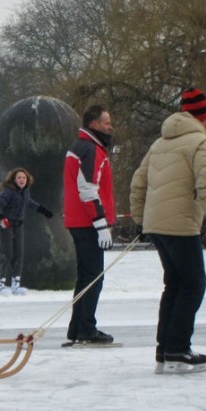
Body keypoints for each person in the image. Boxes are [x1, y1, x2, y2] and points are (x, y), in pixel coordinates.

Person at [130, 88, 206, 374]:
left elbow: (138, 182)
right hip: (181, 224)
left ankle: (164, 348)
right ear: (204, 117)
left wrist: (139, 219)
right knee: (193, 285)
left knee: (174, 285)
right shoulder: (201, 143)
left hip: (157, 224)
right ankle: (178, 348)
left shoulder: (159, 143)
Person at [63, 105, 117, 346]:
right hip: (87, 222)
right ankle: (86, 328)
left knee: (85, 277)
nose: (110, 127)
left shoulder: (80, 147)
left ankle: (77, 328)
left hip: (78, 221)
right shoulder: (91, 150)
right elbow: (88, 189)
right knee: (94, 277)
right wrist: (100, 223)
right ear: (94, 124)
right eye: (107, 122)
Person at [0, 168, 53, 296]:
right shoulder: (8, 192)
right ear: (13, 179)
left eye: (24, 178)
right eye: (19, 177)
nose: (22, 180)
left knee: (18, 254)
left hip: (18, 226)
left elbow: (29, 203)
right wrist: (1, 217)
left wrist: (44, 211)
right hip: (6, 225)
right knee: (7, 253)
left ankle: (15, 284)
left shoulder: (25, 192)